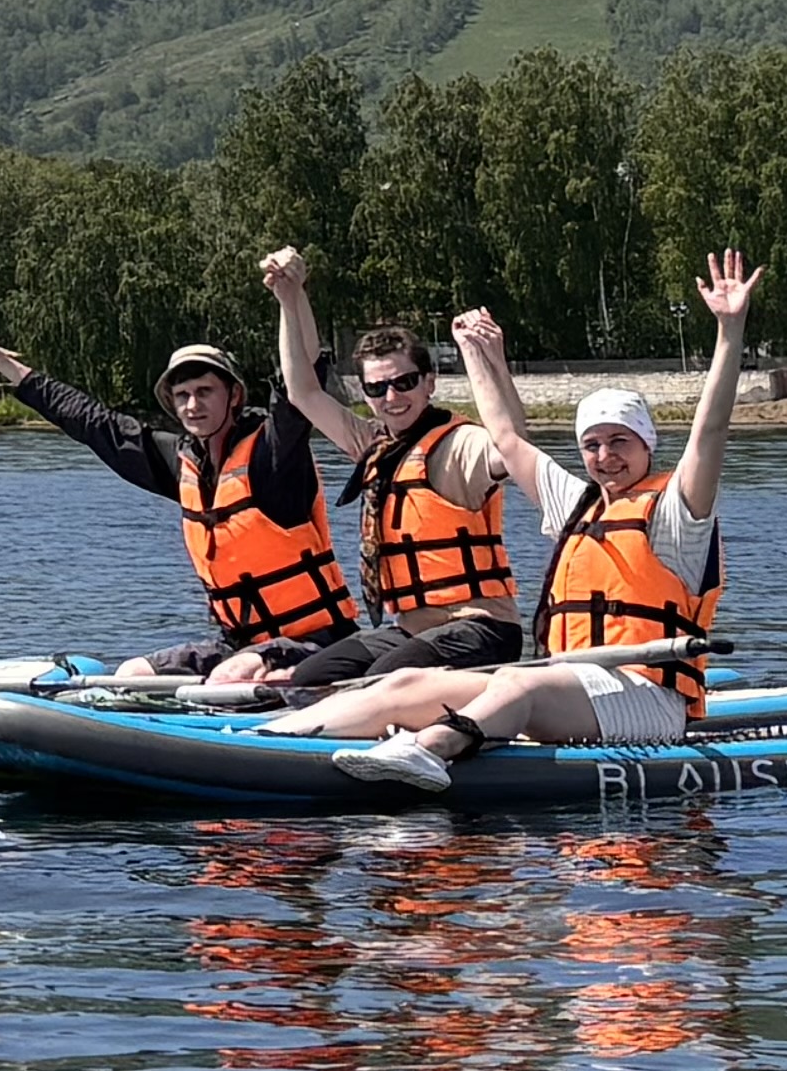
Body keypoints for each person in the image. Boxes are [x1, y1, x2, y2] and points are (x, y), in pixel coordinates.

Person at [300, 252, 762, 782]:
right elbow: (507, 439)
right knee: (406, 685)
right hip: (569, 684)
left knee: (519, 685)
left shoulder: (679, 512)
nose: (606, 456)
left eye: (620, 441)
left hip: (647, 699)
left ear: (647, 445)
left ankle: (428, 750)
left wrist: (730, 330)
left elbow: (710, 433)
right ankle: (272, 739)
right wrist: (478, 355)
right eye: (592, 444)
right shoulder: (577, 504)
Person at [191, 248, 541, 702]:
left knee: (373, 682)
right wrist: (291, 298)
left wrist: (487, 357)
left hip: (479, 629)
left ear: (429, 381)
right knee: (309, 677)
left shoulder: (457, 446)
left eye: (404, 382)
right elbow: (302, 390)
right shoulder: (371, 444)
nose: (392, 397)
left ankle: (461, 718)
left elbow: (510, 443)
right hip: (410, 630)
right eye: (376, 388)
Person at [0, 292, 355, 675]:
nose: (192, 406)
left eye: (204, 392)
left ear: (233, 395)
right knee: (134, 671)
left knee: (233, 674)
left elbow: (302, 384)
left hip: (316, 643)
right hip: (240, 645)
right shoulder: (181, 463)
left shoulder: (274, 455)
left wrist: (291, 296)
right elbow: (90, 421)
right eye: (182, 396)